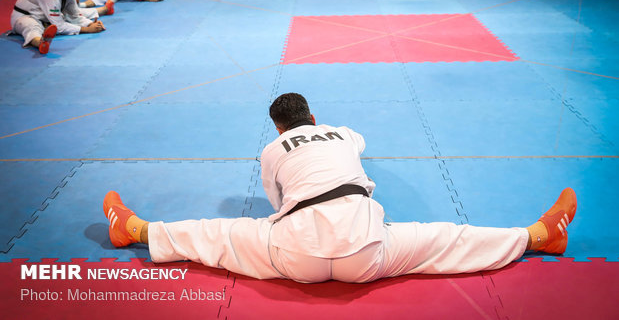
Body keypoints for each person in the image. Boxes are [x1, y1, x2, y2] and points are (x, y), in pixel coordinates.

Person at [104, 93, 578, 283]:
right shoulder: (343, 131)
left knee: (217, 234)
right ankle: (539, 236)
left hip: (294, 258)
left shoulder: (271, 152)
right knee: (447, 238)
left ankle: (135, 229)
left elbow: (278, 202)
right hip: (365, 252)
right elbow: (358, 147)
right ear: (313, 118)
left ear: (277, 129)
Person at [10, 0, 105, 54]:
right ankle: (41, 43)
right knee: (32, 27)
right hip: (23, 17)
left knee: (67, 17)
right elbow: (59, 26)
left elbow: (75, 16)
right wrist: (87, 30)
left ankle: (105, 10)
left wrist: (92, 24)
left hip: (44, 18)